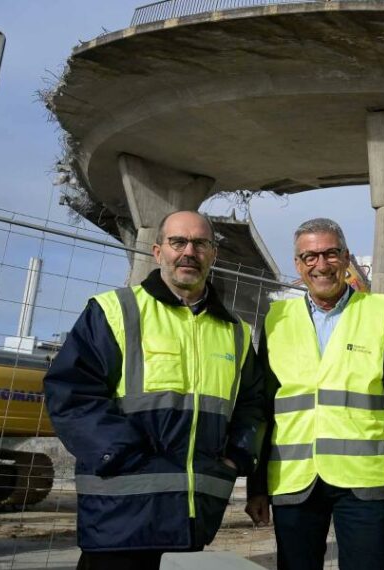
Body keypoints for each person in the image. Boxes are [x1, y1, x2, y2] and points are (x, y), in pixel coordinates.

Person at [44, 210, 266, 569]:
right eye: (178, 242)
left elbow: (252, 405)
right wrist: (124, 455)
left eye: (200, 243)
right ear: (158, 251)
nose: (188, 252)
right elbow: (71, 393)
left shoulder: (235, 332)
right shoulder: (115, 311)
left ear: (213, 255)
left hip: (193, 518)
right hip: (121, 517)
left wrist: (236, 457)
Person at [245, 218, 384, 570]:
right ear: (298, 264)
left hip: (364, 481)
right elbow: (262, 408)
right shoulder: (276, 318)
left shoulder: (381, 314)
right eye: (309, 257)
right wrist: (256, 486)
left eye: (330, 254)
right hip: (294, 478)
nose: (320, 265)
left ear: (346, 257)